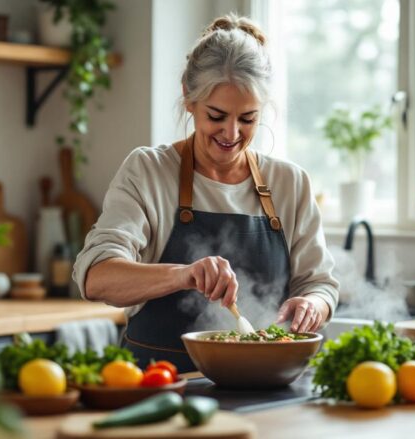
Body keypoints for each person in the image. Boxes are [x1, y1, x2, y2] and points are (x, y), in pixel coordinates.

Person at [73, 14, 339, 372]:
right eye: (216, 115)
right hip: (161, 389)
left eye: (248, 119)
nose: (231, 133)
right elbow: (96, 278)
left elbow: (319, 284)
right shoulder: (149, 171)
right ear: (189, 97)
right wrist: (184, 274)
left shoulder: (290, 183)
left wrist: (312, 304)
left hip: (264, 387)